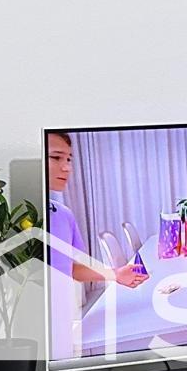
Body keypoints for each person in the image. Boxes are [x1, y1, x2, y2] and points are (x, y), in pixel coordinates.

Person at [46, 131, 145, 359]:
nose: (66, 168)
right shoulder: (17, 219)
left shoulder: (63, 214)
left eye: (69, 159)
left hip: (61, 320)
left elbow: (72, 268)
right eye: (56, 157)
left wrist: (115, 274)